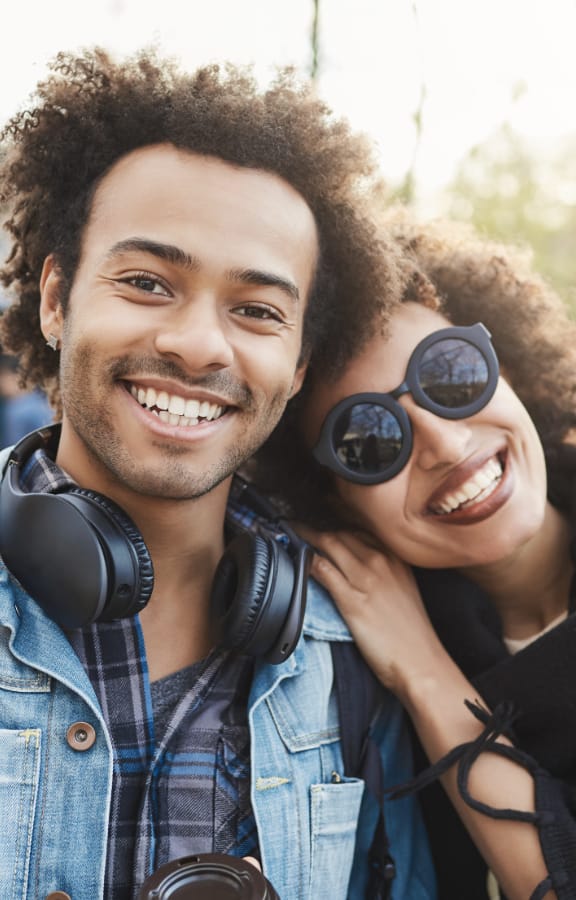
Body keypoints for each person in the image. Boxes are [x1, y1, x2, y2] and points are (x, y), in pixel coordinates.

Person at [0, 50, 436, 900]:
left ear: (300, 361)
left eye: (256, 310)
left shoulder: (357, 664)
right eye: (147, 282)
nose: (200, 344)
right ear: (56, 299)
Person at [252, 208, 576, 900]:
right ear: (336, 501)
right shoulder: (347, 674)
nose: (448, 446)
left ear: (508, 368)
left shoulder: (410, 654)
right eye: (368, 441)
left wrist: (428, 675)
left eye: (452, 377)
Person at [0, 350, 53, 446]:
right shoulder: (41, 401)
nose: (1, 383)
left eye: (3, 376)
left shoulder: (16, 409)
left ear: (16, 377)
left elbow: (13, 448)